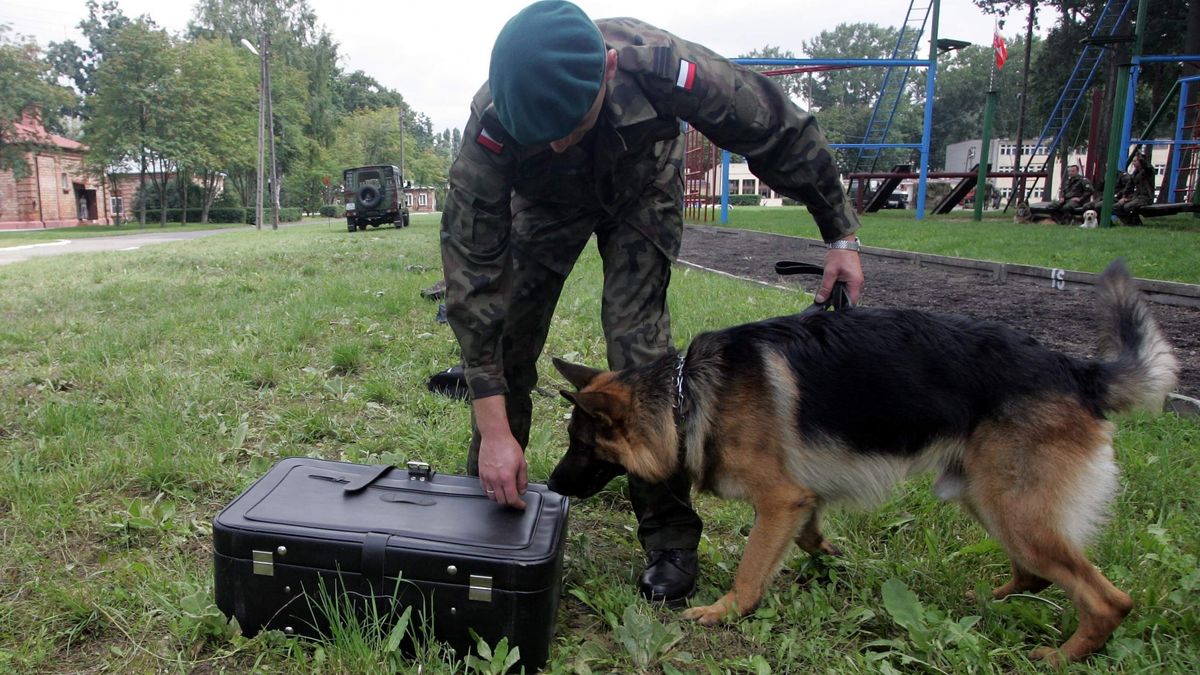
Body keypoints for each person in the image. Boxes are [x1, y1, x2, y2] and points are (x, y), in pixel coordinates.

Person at [439, 0, 865, 607]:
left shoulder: (662, 66)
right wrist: (493, 425)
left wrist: (839, 233)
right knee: (508, 343)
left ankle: (669, 538)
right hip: (545, 209)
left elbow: (774, 125)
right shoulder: (495, 121)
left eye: (569, 126)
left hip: (641, 192)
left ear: (607, 73)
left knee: (642, 360)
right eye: (542, 135)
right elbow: (472, 272)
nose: (557, 145)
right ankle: (490, 504)